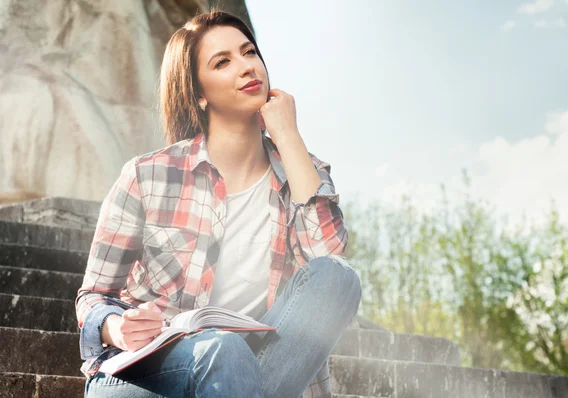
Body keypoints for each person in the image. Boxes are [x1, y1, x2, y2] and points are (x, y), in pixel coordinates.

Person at [75, 8, 362, 398]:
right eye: (223, 62)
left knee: (337, 278)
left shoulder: (302, 173)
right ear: (199, 94)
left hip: (249, 367)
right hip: (148, 372)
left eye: (249, 53)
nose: (246, 68)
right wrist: (115, 327)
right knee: (221, 347)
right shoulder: (148, 175)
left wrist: (288, 135)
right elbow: (93, 295)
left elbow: (327, 258)